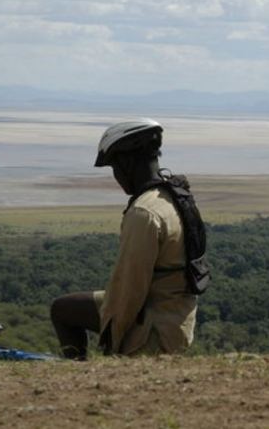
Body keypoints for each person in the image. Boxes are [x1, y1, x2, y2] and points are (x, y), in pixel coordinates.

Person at [50, 118, 198, 359]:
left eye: (115, 167)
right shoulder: (174, 196)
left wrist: (112, 340)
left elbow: (130, 289)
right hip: (177, 316)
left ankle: (81, 380)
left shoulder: (144, 212)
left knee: (62, 310)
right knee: (64, 308)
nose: (116, 176)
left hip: (154, 324)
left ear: (128, 163)